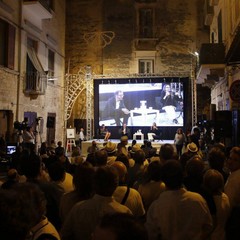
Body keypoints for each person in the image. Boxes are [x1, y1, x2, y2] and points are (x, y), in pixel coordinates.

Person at [145, 160, 213, 240]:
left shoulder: (156, 207)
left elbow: (151, 234)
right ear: (183, 175)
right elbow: (208, 226)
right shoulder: (198, 200)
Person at [60, 166, 132, 240]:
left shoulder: (78, 208)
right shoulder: (125, 213)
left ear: (94, 184)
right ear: (115, 185)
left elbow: (65, 234)